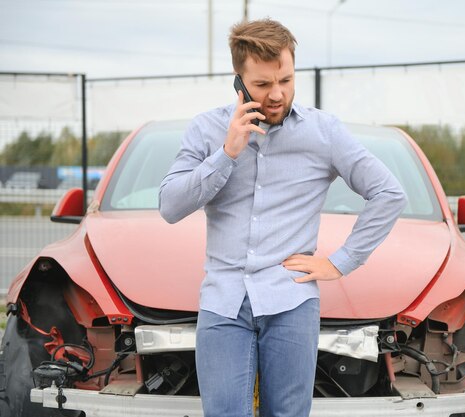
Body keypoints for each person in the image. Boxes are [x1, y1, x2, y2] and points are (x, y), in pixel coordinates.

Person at [159, 18, 406, 417]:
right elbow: (170, 206)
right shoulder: (206, 130)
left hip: (291, 302)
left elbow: (389, 193)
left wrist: (340, 263)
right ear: (238, 81)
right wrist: (227, 153)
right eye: (262, 85)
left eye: (286, 81)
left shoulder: (324, 132)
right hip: (223, 303)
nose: (277, 94)